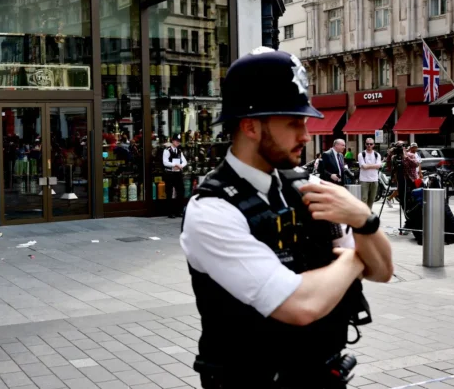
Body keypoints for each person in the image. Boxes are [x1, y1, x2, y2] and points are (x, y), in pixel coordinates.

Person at [180, 47, 393, 388]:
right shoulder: (212, 211)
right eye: (294, 123)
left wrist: (364, 218)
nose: (306, 136)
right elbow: (298, 305)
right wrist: (354, 260)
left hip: (323, 375)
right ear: (251, 126)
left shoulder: (306, 186)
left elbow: (382, 270)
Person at [162, 135, 187, 217]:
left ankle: (179, 211)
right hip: (170, 173)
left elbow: (184, 161)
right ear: (172, 141)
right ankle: (170, 212)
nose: (178, 142)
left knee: (181, 191)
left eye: (179, 141)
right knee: (169, 192)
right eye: (176, 141)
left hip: (177, 173)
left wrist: (181, 166)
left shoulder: (179, 151)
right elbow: (165, 162)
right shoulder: (167, 150)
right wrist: (174, 164)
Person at [358, 138, 383, 210]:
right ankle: (363, 214)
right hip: (364, 179)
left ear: (373, 145)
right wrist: (374, 166)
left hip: (374, 179)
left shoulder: (377, 154)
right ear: (365, 144)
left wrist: (368, 166)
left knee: (372, 199)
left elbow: (379, 166)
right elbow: (363, 166)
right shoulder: (361, 154)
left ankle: (368, 214)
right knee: (364, 199)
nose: (369, 145)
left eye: (371, 144)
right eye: (367, 144)